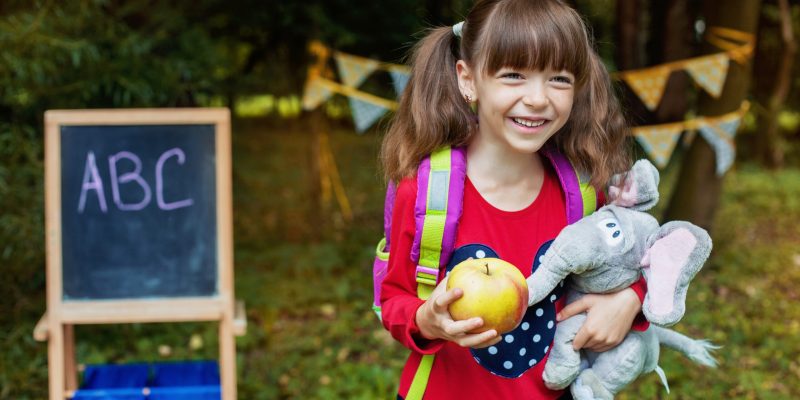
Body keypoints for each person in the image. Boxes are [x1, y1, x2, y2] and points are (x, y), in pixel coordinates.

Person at [379, 0, 649, 399]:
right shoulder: (425, 194)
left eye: (558, 79)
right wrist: (426, 319)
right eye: (513, 75)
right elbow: (392, 299)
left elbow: (631, 261)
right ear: (468, 80)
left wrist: (632, 299)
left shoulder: (582, 191)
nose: (538, 98)